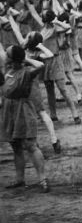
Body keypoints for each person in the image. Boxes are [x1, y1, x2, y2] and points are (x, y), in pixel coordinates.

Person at [0, 46, 50, 192]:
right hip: (8, 111)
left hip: (23, 110)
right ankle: (20, 179)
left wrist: (25, 59)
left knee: (30, 145)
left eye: (8, 54)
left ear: (12, 59)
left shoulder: (27, 72)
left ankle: (43, 179)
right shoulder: (7, 69)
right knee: (16, 146)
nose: (5, 55)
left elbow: (40, 65)